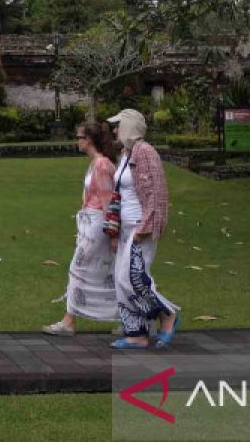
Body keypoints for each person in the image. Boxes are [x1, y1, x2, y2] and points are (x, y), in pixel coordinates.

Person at [107, 108, 180, 349]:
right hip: (127, 227)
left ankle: (166, 313)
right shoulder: (126, 154)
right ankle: (136, 333)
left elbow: (156, 192)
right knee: (121, 280)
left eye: (118, 125)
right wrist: (115, 229)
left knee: (133, 278)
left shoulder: (145, 152)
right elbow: (119, 193)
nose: (115, 130)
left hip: (141, 228)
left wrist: (145, 227)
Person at [43, 120, 119, 335]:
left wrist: (112, 234)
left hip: (97, 226)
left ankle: (69, 321)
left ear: (89, 140)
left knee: (81, 269)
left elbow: (107, 203)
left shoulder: (102, 165)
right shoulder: (96, 163)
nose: (77, 141)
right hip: (91, 223)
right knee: (105, 272)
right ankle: (130, 318)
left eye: (79, 137)